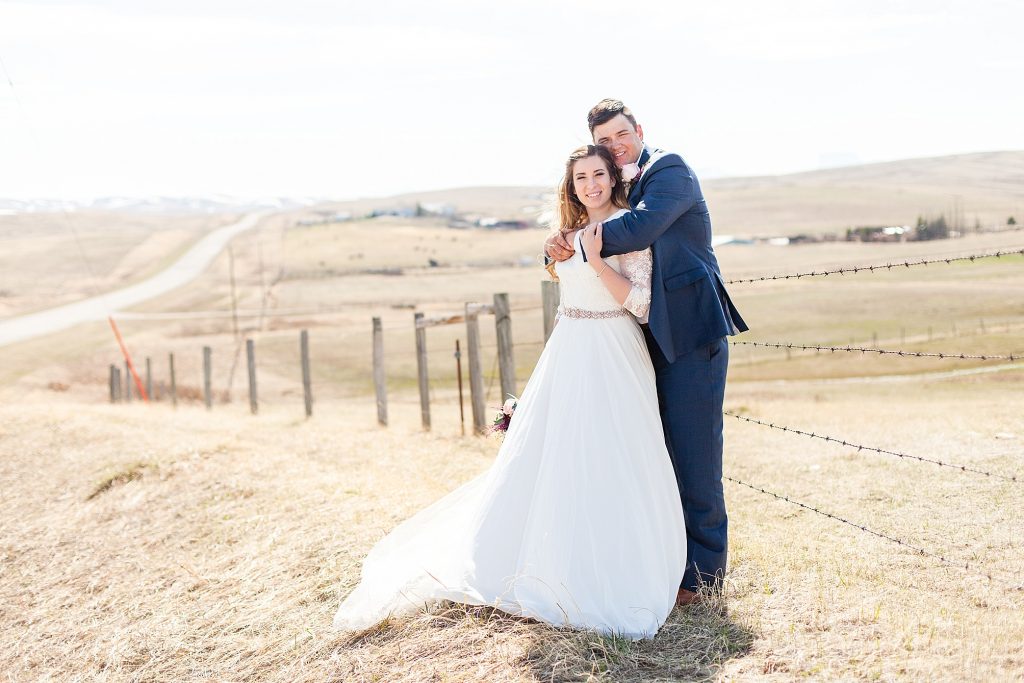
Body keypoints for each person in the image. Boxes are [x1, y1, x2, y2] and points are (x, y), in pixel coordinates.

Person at [333, 145, 686, 640]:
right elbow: (565, 278)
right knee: (555, 453)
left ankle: (612, 562)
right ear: (573, 185)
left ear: (613, 178)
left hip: (614, 349)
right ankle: (548, 557)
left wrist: (597, 258)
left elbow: (644, 303)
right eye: (581, 176)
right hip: (568, 348)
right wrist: (564, 248)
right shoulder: (562, 236)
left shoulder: (631, 228)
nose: (591, 184)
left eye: (599, 174)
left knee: (615, 451)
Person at [546, 99, 748, 605]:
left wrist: (572, 243)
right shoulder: (624, 184)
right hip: (642, 339)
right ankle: (664, 562)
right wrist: (561, 247)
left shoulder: (669, 170)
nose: (615, 146)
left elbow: (637, 230)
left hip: (690, 333)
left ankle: (703, 579)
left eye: (620, 135)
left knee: (696, 458)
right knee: (652, 458)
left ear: (639, 130)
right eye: (605, 139)